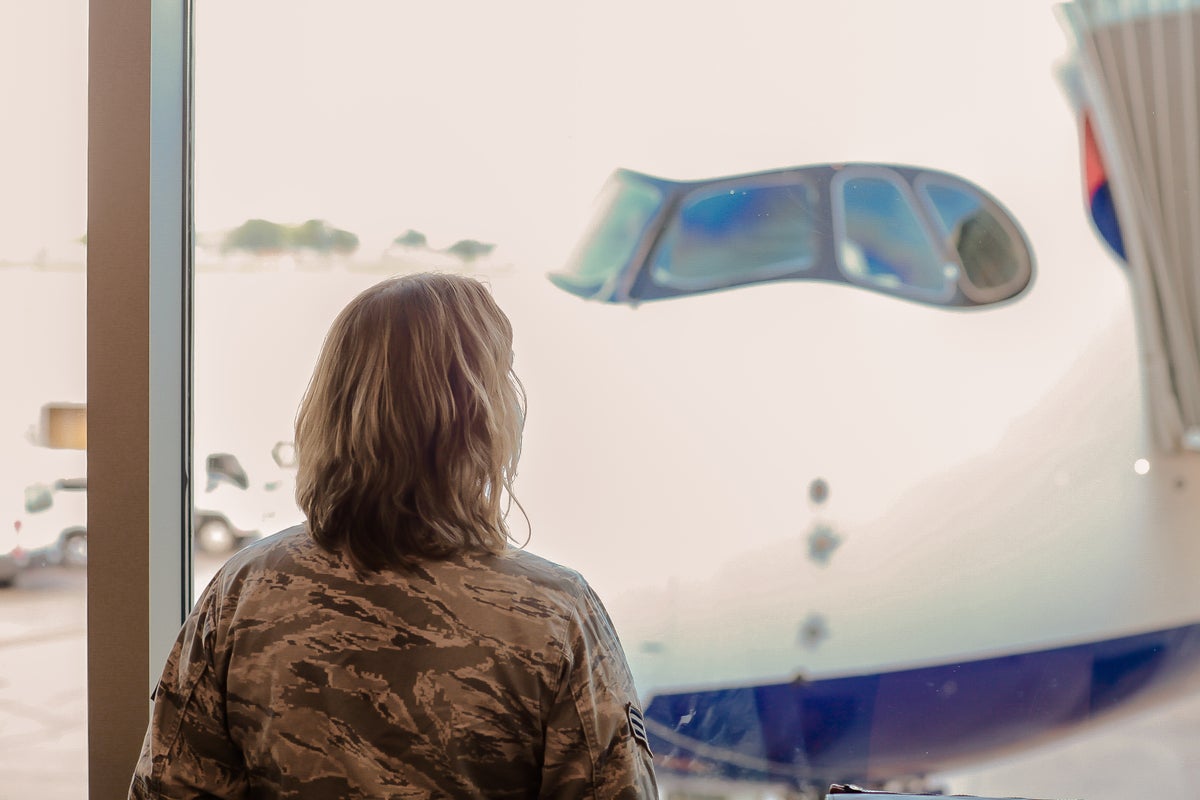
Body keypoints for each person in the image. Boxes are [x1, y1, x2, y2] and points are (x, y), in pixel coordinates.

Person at [129, 272, 659, 799]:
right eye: (506, 378)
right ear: (478, 415)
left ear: (333, 404)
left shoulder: (243, 592)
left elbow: (168, 790)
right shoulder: (555, 613)